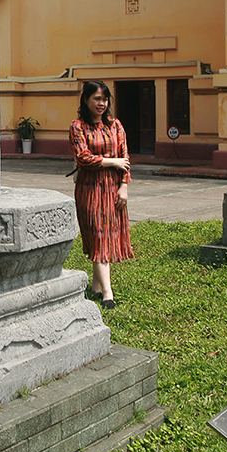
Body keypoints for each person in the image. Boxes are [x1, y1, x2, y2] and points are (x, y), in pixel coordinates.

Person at [69, 80, 133, 309]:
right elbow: (82, 157)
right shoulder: (77, 126)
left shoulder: (115, 125)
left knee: (108, 234)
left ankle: (97, 286)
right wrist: (111, 161)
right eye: (96, 98)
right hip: (90, 189)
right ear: (85, 100)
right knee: (98, 235)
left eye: (105, 99)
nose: (101, 103)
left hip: (113, 188)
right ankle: (108, 293)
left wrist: (124, 186)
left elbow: (125, 157)